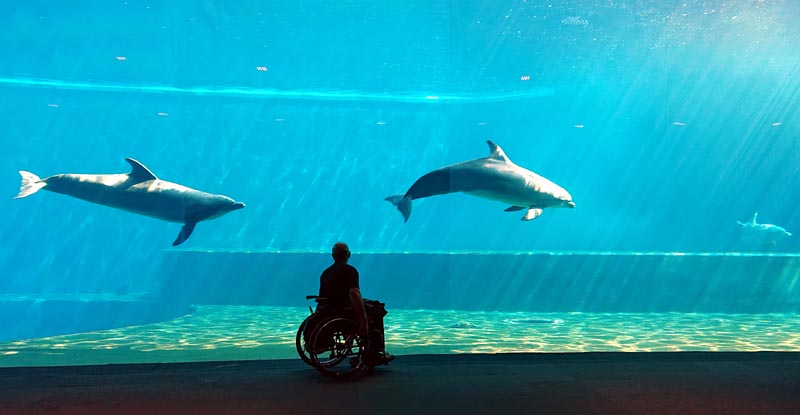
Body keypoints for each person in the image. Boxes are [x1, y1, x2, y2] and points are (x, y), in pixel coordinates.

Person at [316, 242, 394, 365]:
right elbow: (354, 293)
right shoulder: (350, 270)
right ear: (349, 255)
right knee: (377, 310)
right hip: (342, 310)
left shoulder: (326, 272)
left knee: (370, 304)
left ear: (333, 256)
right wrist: (363, 318)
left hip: (328, 311)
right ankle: (375, 353)